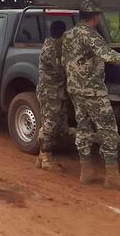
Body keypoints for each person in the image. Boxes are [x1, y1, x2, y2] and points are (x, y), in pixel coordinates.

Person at [62, 0, 120, 191]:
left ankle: (86, 171)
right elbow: (107, 54)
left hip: (75, 89)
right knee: (108, 129)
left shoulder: (68, 35)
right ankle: (112, 176)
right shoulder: (91, 35)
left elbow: (65, 61)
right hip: (93, 90)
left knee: (83, 128)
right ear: (95, 17)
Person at [36, 20, 68, 172]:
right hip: (49, 92)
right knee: (49, 124)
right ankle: (46, 157)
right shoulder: (51, 48)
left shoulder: (56, 46)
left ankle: (43, 157)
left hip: (55, 91)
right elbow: (61, 69)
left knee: (56, 123)